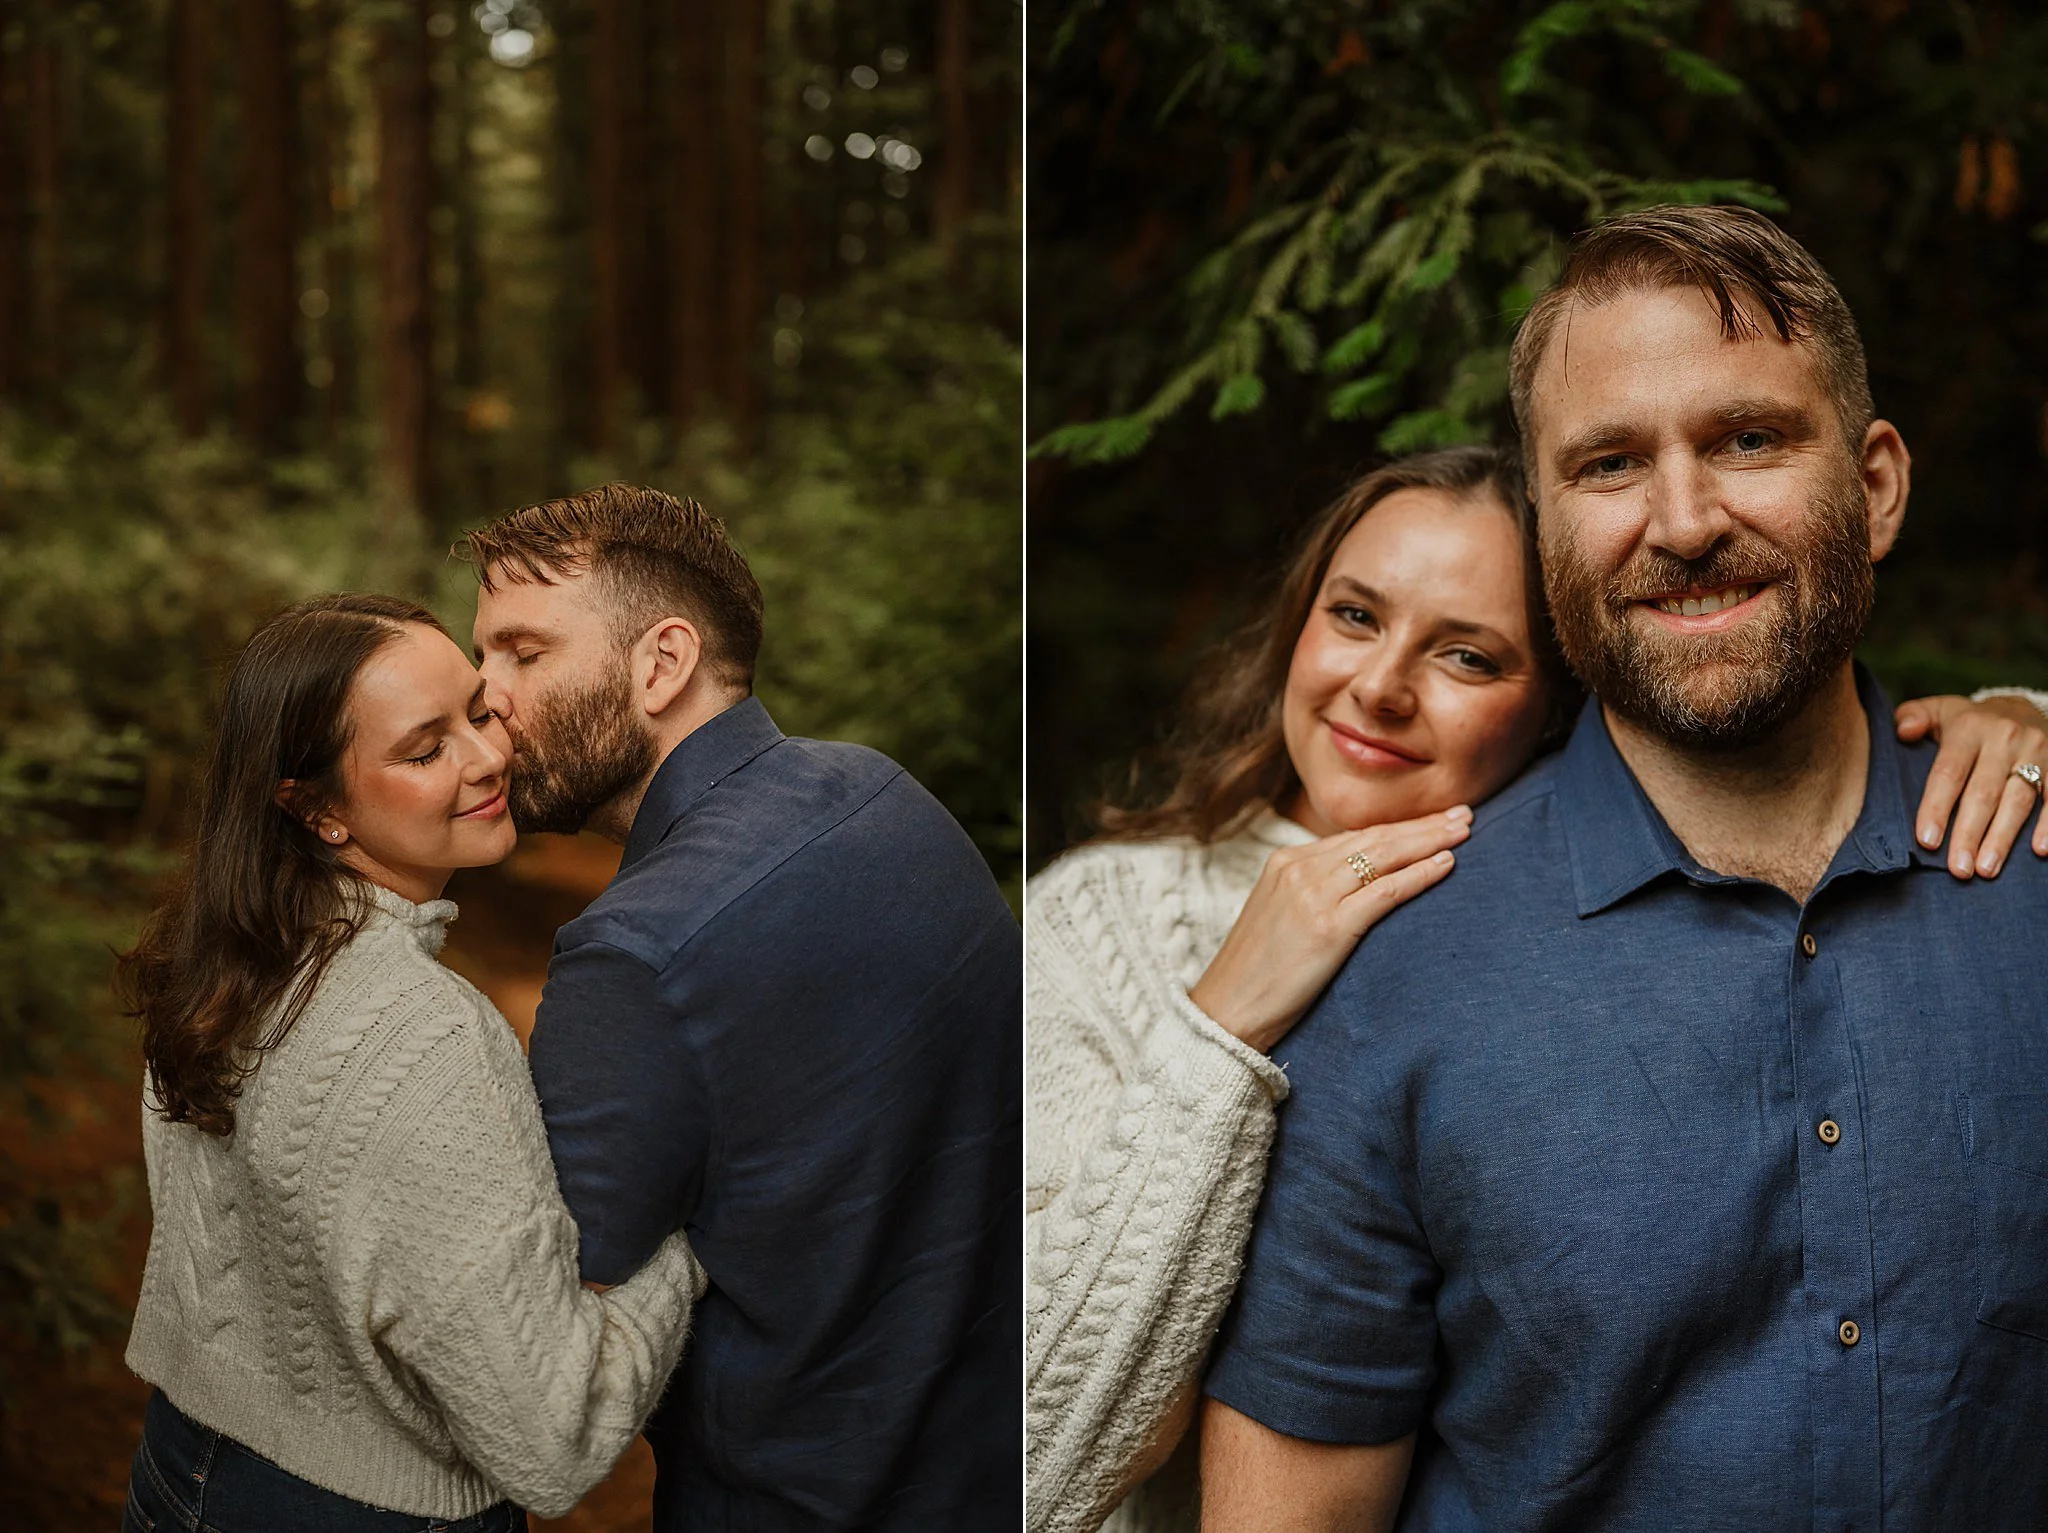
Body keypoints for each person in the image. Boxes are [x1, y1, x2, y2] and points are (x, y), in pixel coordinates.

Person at [1197, 204, 2048, 1530]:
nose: (1685, 519)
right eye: (1608, 465)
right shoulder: (1389, 975)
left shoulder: (2035, 872)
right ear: (1546, 540)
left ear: (1874, 486)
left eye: (1748, 438)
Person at [462, 483, 1021, 1531]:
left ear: (660, 663)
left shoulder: (631, 955)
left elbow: (549, 1346)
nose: (484, 694)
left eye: (523, 653)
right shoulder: (887, 796)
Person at [118, 593, 703, 1533]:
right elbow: (555, 1440)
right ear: (315, 809)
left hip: (182, 1473)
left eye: (479, 711)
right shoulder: (428, 1037)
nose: (488, 757)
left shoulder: (214, 963)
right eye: (425, 750)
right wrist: (688, 1245)